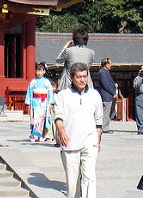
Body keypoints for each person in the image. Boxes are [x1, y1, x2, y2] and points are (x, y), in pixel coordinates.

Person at [54, 62, 103, 198]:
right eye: (79, 77)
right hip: (70, 143)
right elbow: (58, 117)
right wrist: (62, 132)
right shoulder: (63, 95)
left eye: (85, 76)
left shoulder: (94, 95)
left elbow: (99, 121)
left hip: (90, 141)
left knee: (89, 177)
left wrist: (98, 139)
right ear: (72, 77)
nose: (82, 80)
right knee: (72, 182)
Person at [25, 62, 53, 142]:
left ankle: (40, 135)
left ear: (44, 72)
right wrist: (29, 103)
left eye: (41, 71)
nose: (39, 73)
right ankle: (33, 135)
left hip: (44, 103)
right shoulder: (33, 82)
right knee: (35, 119)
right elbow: (30, 93)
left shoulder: (47, 82)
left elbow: (50, 93)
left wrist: (50, 103)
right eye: (38, 71)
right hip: (35, 103)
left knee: (42, 119)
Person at [97, 58, 117, 133]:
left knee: (108, 112)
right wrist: (113, 92)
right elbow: (106, 84)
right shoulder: (102, 72)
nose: (111, 65)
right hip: (106, 95)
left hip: (108, 95)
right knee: (106, 112)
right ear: (106, 64)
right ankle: (104, 128)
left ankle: (105, 126)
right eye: (110, 64)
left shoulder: (106, 72)